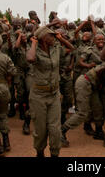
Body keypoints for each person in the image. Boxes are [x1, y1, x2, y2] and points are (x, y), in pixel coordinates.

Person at [26, 26, 75, 157]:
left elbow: (72, 48)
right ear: (42, 38)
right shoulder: (34, 50)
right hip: (39, 96)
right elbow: (30, 59)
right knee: (40, 130)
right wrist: (34, 43)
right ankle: (40, 152)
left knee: (55, 129)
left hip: (54, 95)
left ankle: (54, 153)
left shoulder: (56, 49)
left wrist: (61, 38)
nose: (53, 37)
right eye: (51, 36)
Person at [61, 64, 105, 147]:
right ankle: (62, 131)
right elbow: (102, 78)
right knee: (82, 112)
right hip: (84, 83)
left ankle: (98, 131)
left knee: (98, 108)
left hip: (93, 86)